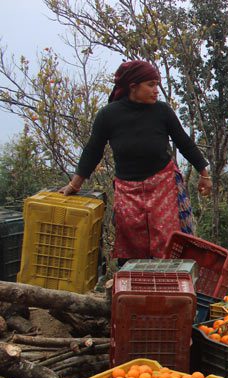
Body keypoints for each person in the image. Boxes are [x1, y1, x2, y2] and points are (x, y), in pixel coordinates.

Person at [59, 60, 212, 263]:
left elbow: (184, 143)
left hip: (162, 186)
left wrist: (204, 174)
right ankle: (131, 282)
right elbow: (92, 151)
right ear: (133, 87)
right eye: (151, 85)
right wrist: (74, 184)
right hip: (127, 190)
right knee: (131, 245)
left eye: (157, 84)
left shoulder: (162, 111)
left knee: (168, 243)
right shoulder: (109, 115)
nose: (156, 90)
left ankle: (169, 281)